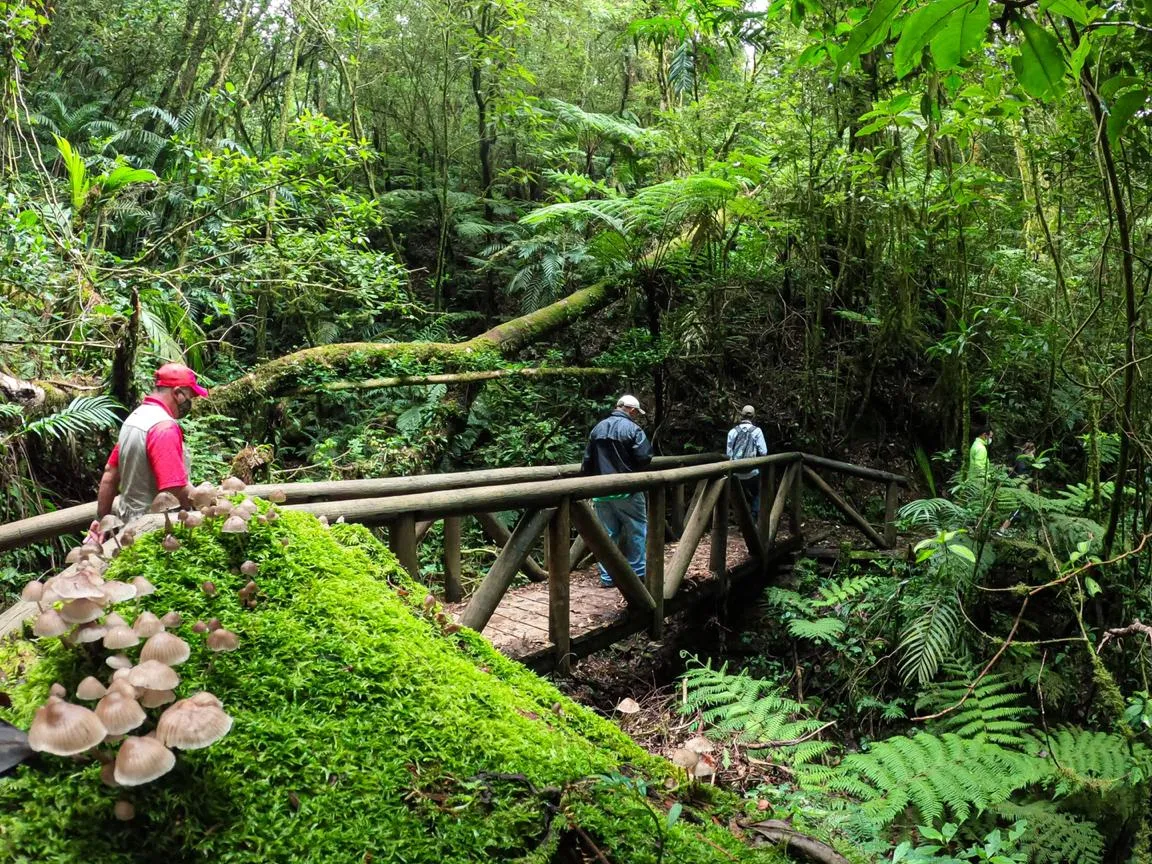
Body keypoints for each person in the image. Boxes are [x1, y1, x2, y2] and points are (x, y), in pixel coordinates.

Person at [88, 363, 209, 540]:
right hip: (153, 531)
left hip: (126, 526)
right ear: (177, 394)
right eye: (190, 396)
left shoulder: (135, 419)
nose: (190, 403)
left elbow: (109, 474)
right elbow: (173, 488)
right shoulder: (164, 428)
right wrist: (205, 501)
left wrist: (102, 521)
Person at [582, 394, 653, 588]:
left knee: (606, 535)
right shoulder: (633, 429)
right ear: (631, 409)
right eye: (636, 412)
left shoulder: (598, 428)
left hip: (601, 490)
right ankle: (637, 576)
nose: (637, 416)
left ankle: (607, 577)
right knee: (636, 530)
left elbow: (586, 463)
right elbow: (644, 457)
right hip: (627, 489)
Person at [726, 405, 768, 519]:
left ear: (741, 415)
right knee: (756, 494)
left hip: (736, 472)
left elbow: (728, 455)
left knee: (740, 496)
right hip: (752, 471)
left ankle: (741, 518)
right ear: (753, 416)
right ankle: (754, 517)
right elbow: (764, 452)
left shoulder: (732, 432)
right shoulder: (757, 431)